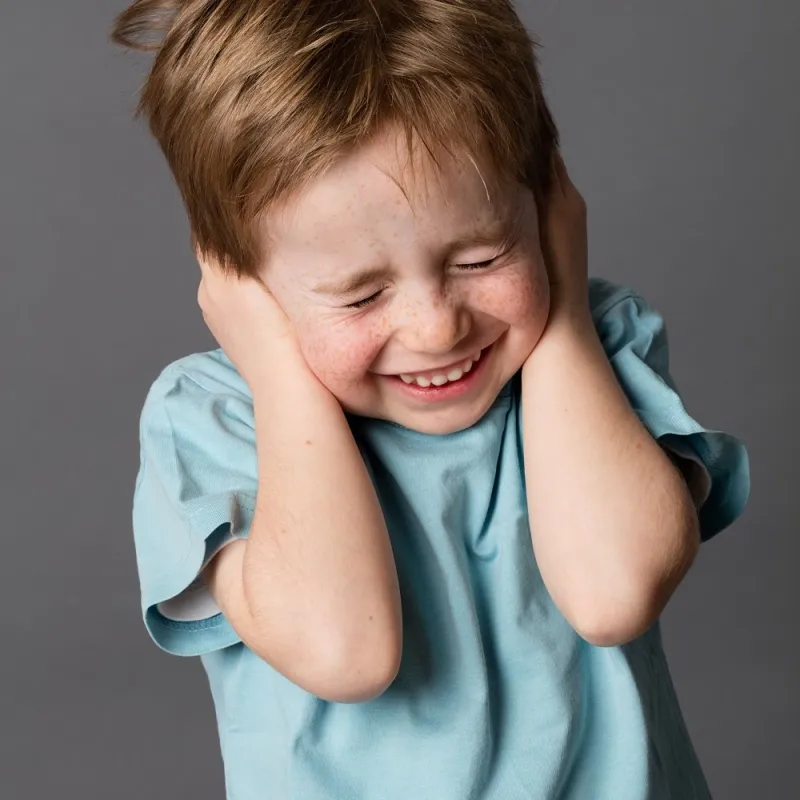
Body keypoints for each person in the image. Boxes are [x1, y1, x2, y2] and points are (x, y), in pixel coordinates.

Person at [114, 1, 750, 797]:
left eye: (481, 257)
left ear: (547, 206)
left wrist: (560, 311)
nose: (436, 325)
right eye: (359, 295)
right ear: (242, 286)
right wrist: (280, 369)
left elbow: (613, 594)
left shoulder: (597, 345)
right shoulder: (214, 417)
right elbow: (346, 651)